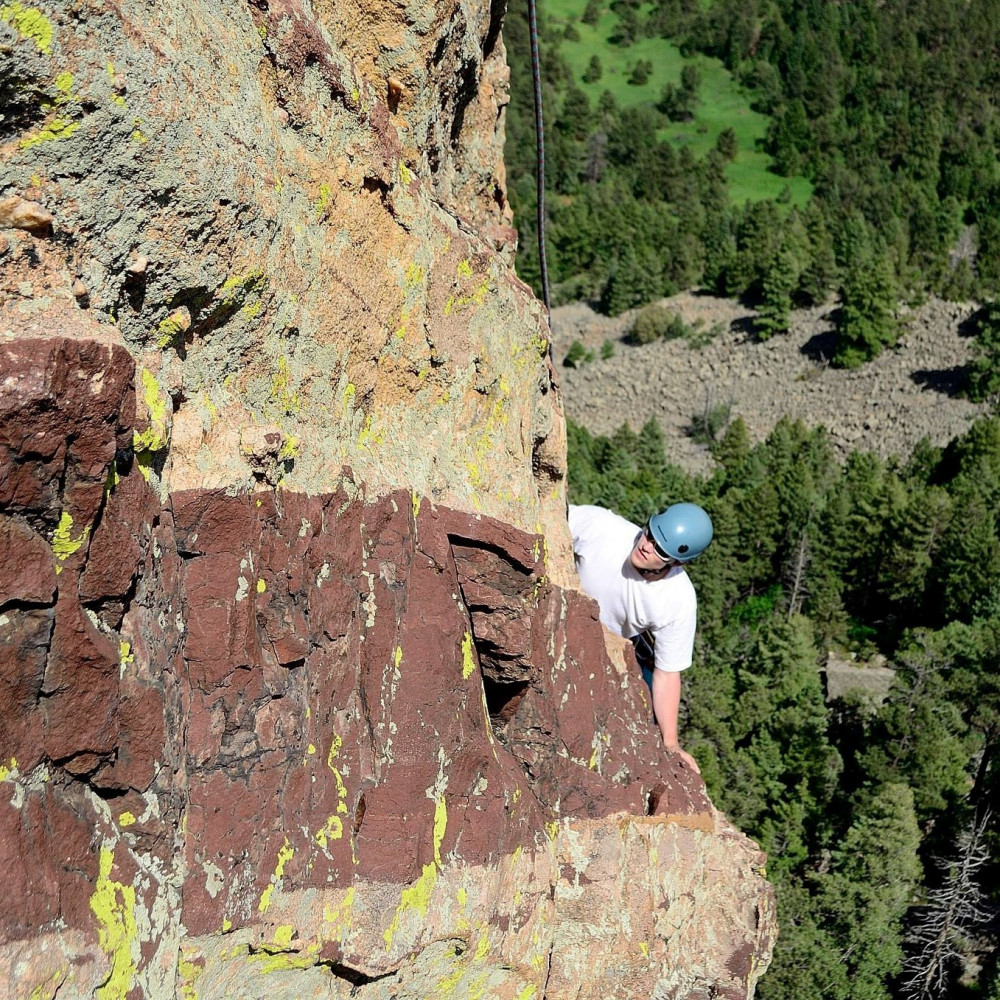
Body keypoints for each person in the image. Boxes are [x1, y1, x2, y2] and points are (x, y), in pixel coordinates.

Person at [568, 502, 714, 773]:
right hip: (569, 614)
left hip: (615, 642)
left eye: (660, 549)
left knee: (644, 711)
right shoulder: (603, 527)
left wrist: (670, 743)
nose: (646, 545)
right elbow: (552, 514)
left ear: (677, 562)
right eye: (650, 534)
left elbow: (668, 673)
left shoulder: (678, 600)